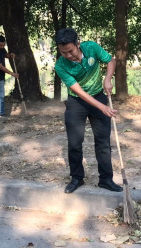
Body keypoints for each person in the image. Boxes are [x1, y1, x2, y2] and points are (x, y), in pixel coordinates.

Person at [54, 28, 123, 194]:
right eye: (64, 53)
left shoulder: (91, 48)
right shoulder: (61, 66)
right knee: (75, 142)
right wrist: (102, 107)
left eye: (70, 51)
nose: (68, 55)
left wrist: (107, 79)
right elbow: (79, 92)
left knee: (103, 141)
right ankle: (77, 178)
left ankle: (106, 179)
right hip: (76, 102)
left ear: (78, 44)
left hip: (99, 95)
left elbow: (111, 61)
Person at [0, 35, 19, 117]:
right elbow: (0, 66)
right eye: (0, 45)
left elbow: (5, 55)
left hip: (0, 75)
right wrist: (12, 74)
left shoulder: (1, 48)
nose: (2, 47)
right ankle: (0, 113)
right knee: (0, 94)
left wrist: (10, 55)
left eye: (3, 45)